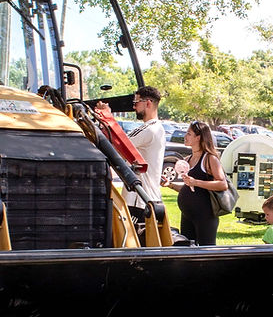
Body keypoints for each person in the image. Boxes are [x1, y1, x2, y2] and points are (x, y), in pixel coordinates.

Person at [96, 86, 165, 222]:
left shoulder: (149, 130)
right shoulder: (156, 128)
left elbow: (119, 144)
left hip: (139, 200)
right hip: (148, 198)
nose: (134, 107)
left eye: (136, 103)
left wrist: (107, 117)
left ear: (148, 103)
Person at [161, 120, 228, 245]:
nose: (185, 137)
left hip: (205, 215)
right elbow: (189, 188)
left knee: (205, 251)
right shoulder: (187, 159)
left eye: (189, 134)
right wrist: (170, 184)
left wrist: (195, 182)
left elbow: (222, 184)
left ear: (198, 137)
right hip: (187, 215)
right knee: (187, 248)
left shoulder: (209, 159)